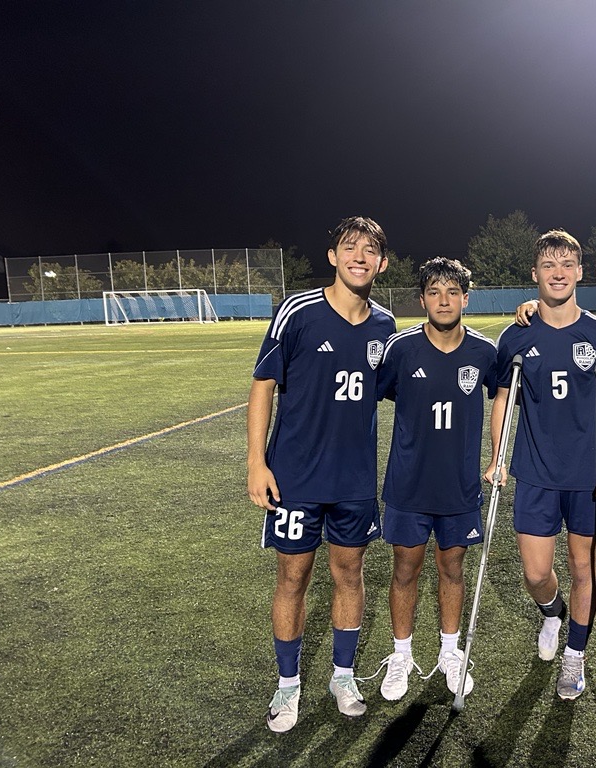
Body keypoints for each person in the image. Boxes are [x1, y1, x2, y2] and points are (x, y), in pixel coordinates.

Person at [247, 216, 395, 732]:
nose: (359, 256)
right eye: (349, 247)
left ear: (382, 262)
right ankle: (287, 686)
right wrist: (256, 462)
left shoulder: (385, 324)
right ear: (332, 255)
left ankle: (342, 676)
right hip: (295, 477)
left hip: (354, 481)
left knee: (349, 574)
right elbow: (264, 382)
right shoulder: (298, 311)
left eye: (370, 249)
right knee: (293, 578)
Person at [488, 229, 596, 701]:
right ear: (535, 275)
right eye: (549, 264)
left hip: (587, 478)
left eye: (567, 264)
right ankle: (552, 613)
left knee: (583, 566)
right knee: (534, 572)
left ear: (580, 272)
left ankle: (575, 655)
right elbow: (503, 398)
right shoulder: (516, 335)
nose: (559, 272)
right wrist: (496, 458)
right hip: (536, 473)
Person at [375, 257, 497, 701]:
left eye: (452, 292)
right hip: (408, 484)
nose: (443, 301)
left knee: (452, 567)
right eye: (434, 292)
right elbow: (381, 391)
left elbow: (502, 394)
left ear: (466, 298)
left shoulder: (485, 352)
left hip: (460, 486)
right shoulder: (401, 349)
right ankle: (401, 655)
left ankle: (450, 651)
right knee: (405, 569)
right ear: (422, 298)